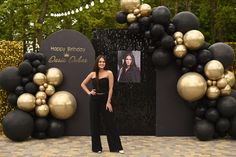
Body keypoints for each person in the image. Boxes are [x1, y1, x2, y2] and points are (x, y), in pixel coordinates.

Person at [81, 55, 124, 154]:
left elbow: (110, 89)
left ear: (105, 63)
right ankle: (97, 148)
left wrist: (108, 102)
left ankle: (116, 147)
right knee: (95, 124)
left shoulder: (109, 73)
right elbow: (83, 84)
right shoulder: (92, 74)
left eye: (103, 62)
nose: (101, 63)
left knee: (110, 123)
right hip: (94, 100)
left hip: (105, 100)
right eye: (100, 62)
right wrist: (89, 92)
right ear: (97, 63)